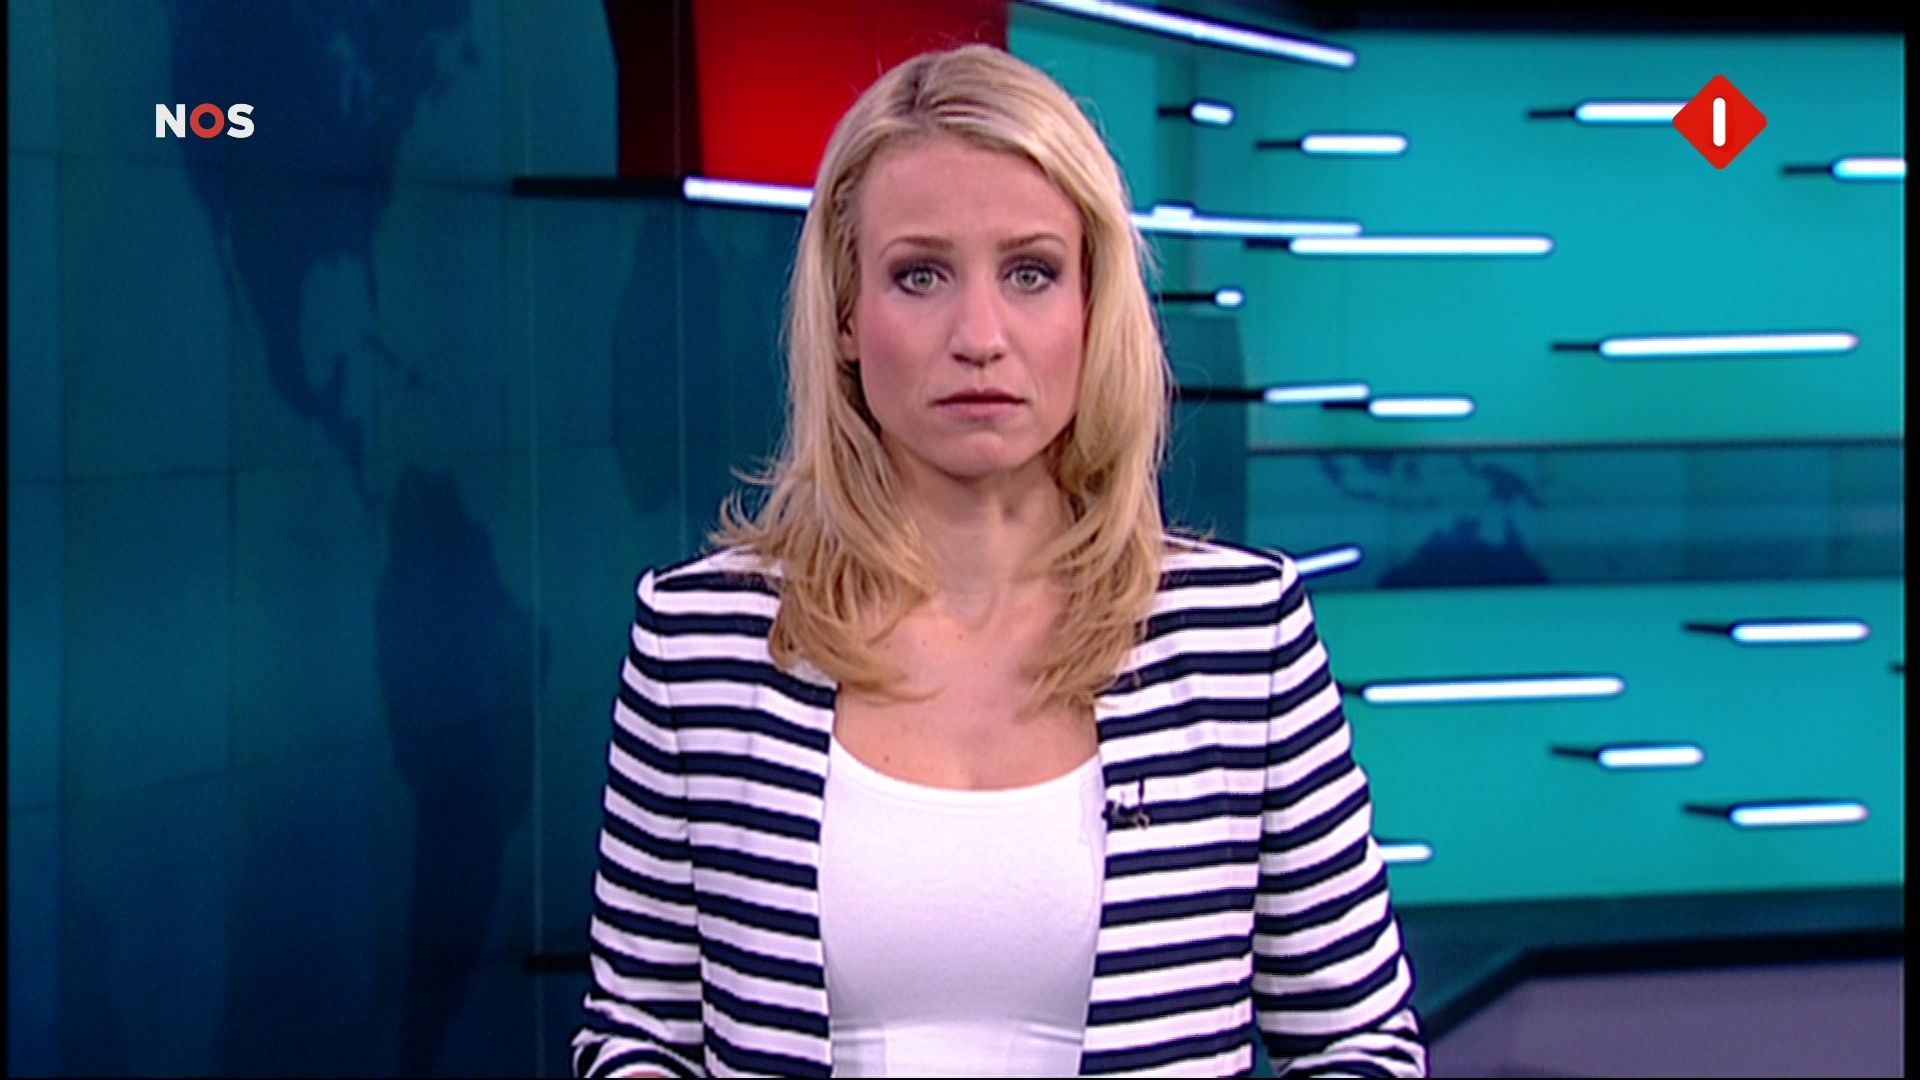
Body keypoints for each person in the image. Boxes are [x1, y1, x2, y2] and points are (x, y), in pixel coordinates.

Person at [572, 42, 1425, 1078]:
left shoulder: (1244, 636)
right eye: (919, 275)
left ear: (1091, 305)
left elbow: (1359, 1041)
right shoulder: (699, 643)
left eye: (1031, 273)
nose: (979, 335)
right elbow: (637, 1032)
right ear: (845, 316)